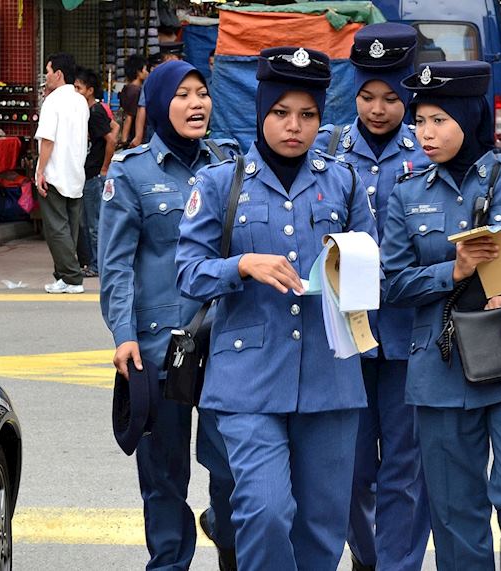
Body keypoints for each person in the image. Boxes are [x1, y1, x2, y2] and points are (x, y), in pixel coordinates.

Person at [177, 46, 377, 570]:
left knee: (322, 525)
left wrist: (350, 271)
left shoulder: (344, 180)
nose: (295, 126)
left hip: (330, 378)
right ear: (261, 112)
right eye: (281, 113)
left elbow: (370, 267)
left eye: (308, 114)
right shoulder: (221, 182)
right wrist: (241, 265)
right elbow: (188, 272)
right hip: (247, 379)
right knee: (264, 510)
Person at [381, 60, 501, 569]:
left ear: (470, 116)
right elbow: (391, 283)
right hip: (441, 369)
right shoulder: (406, 193)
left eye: (439, 120)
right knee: (455, 514)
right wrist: (454, 270)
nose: (425, 133)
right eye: (419, 121)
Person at [99, 60, 238, 571]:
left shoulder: (229, 163)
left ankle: (228, 537)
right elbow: (115, 266)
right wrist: (123, 335)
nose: (196, 103)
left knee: (232, 467)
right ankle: (169, 563)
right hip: (159, 348)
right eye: (182, 95)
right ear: (159, 104)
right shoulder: (132, 172)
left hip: (227, 343)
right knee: (163, 476)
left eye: (202, 93)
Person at [315, 23, 431, 571]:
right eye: (367, 96)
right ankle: (367, 554)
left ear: (408, 94)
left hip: (414, 333)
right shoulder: (328, 148)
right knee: (352, 466)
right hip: (346, 337)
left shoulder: (430, 147)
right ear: (352, 92)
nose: (378, 109)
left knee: (406, 466)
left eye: (390, 98)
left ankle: (397, 563)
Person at [35, 52, 90, 294]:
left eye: (47, 71)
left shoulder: (53, 102)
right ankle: (63, 276)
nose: (46, 76)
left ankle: (72, 277)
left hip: (55, 170)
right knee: (70, 227)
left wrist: (39, 170)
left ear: (58, 74)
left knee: (56, 228)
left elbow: (47, 140)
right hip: (76, 170)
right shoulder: (80, 100)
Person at [74, 67, 119, 278]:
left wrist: (104, 167)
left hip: (93, 175)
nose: (76, 92)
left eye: (78, 88)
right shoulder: (95, 111)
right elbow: (116, 127)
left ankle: (97, 265)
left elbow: (111, 138)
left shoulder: (94, 113)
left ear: (90, 90)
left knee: (93, 224)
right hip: (92, 173)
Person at [119, 54, 148, 148]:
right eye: (145, 69)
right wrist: (125, 140)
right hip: (134, 138)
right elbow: (129, 116)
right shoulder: (136, 91)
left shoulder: (126, 89)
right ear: (138, 72)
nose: (148, 72)